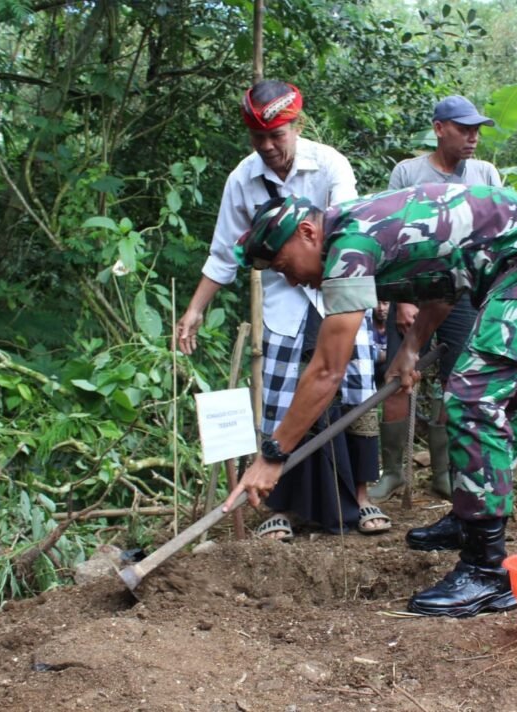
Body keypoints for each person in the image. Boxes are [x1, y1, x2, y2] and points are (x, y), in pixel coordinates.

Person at [222, 183, 517, 617]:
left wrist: (274, 452)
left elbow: (326, 371)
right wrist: (409, 349)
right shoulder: (357, 232)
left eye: (285, 266)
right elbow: (442, 280)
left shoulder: (349, 245)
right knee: (501, 399)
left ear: (307, 233)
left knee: (474, 401)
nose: (293, 279)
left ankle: (487, 571)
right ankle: (472, 521)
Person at [173, 80, 388, 539]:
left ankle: (362, 498)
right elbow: (224, 253)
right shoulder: (242, 180)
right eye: (259, 139)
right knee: (278, 395)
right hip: (283, 298)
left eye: (278, 136)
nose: (269, 147)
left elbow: (349, 227)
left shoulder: (329, 164)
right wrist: (194, 309)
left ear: (296, 125)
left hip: (340, 287)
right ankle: (278, 505)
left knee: (355, 386)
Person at [369, 95, 504, 554]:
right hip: (415, 291)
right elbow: (394, 239)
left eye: (477, 130)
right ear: (439, 128)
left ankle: (446, 474)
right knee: (398, 375)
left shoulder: (485, 174)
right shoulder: (408, 173)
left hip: (464, 296)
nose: (473, 137)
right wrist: (402, 299)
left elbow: (495, 238)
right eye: (464, 129)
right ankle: (393, 472)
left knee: (459, 381)